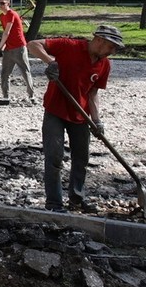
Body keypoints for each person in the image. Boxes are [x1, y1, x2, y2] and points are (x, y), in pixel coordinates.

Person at [27, 22, 124, 213]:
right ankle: (54, 203)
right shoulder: (69, 46)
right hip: (55, 111)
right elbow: (33, 44)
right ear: (98, 40)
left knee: (81, 158)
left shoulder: (104, 64)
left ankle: (76, 199)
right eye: (111, 46)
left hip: (80, 116)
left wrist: (96, 120)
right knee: (54, 156)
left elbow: (93, 93)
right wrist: (50, 62)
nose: (112, 51)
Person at [0, 0, 35, 105]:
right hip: (8, 48)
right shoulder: (1, 16)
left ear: (8, 3)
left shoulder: (12, 14)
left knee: (25, 72)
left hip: (19, 48)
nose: (0, 5)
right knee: (4, 73)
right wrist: (2, 48)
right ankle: (5, 98)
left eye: (2, 3)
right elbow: (6, 34)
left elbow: (6, 32)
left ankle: (32, 97)